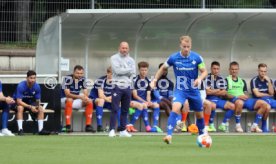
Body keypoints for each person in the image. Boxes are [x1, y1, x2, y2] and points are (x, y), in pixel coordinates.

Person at [150, 35, 208, 144]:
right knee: (175, 108)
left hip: (193, 90)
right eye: (184, 46)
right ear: (180, 46)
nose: (186, 49)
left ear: (191, 46)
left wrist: (200, 78)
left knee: (199, 114)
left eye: (188, 47)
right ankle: (169, 135)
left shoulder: (197, 57)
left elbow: (204, 71)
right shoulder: (173, 57)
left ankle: (202, 137)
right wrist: (154, 80)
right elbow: (163, 68)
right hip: (180, 90)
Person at [226, 61, 270, 133]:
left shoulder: (242, 81)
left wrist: (245, 96)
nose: (234, 71)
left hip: (244, 100)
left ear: (238, 70)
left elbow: (245, 93)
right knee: (240, 102)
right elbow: (225, 94)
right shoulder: (226, 80)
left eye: (236, 69)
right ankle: (238, 126)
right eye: (232, 69)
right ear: (229, 70)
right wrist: (237, 96)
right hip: (235, 100)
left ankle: (254, 126)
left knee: (264, 104)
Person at [109, 41, 136, 137]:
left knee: (125, 109)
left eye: (126, 48)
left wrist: (126, 71)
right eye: (123, 48)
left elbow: (133, 73)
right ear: (119, 48)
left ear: (128, 49)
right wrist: (128, 70)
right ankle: (112, 130)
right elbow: (117, 71)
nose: (124, 50)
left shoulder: (131, 60)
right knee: (115, 108)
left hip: (127, 86)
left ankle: (122, 130)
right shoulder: (114, 58)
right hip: (117, 86)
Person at [128, 61, 162, 133]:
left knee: (156, 105)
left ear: (147, 70)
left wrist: (149, 101)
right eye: (142, 70)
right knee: (144, 105)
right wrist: (145, 102)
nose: (144, 72)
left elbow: (148, 94)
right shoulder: (134, 80)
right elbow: (135, 95)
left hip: (145, 101)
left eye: (145, 70)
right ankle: (147, 126)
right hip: (136, 101)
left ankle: (155, 126)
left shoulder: (149, 80)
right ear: (139, 70)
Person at [61, 65, 95, 133]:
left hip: (75, 99)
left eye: (81, 73)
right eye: (77, 73)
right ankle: (68, 126)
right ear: (73, 73)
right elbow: (67, 94)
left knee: (89, 101)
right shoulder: (66, 79)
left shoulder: (83, 79)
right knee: (69, 99)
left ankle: (88, 126)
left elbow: (85, 92)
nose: (79, 75)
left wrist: (85, 98)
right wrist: (80, 97)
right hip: (63, 99)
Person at [14, 70, 50, 135]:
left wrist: (36, 106)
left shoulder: (37, 86)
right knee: (20, 108)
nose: (33, 80)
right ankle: (20, 130)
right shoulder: (21, 86)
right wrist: (30, 107)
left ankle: (41, 130)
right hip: (19, 103)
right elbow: (19, 101)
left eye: (34, 78)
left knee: (40, 108)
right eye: (31, 78)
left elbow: (38, 100)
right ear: (27, 78)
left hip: (29, 103)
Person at [205, 61, 236, 132]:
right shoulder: (207, 78)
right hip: (209, 99)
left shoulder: (221, 79)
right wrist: (218, 90)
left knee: (232, 106)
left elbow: (224, 92)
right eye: (214, 69)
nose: (216, 70)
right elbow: (207, 92)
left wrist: (213, 91)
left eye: (217, 69)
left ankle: (223, 124)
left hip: (218, 100)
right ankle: (211, 124)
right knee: (212, 105)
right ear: (211, 69)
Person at [250, 63, 274, 132]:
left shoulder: (269, 80)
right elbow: (257, 94)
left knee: (269, 106)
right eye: (261, 71)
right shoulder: (254, 80)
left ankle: (260, 126)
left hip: (269, 100)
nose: (263, 73)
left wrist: (269, 82)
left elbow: (272, 93)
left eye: (264, 71)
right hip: (259, 100)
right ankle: (263, 126)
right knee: (268, 107)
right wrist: (267, 95)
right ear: (258, 71)